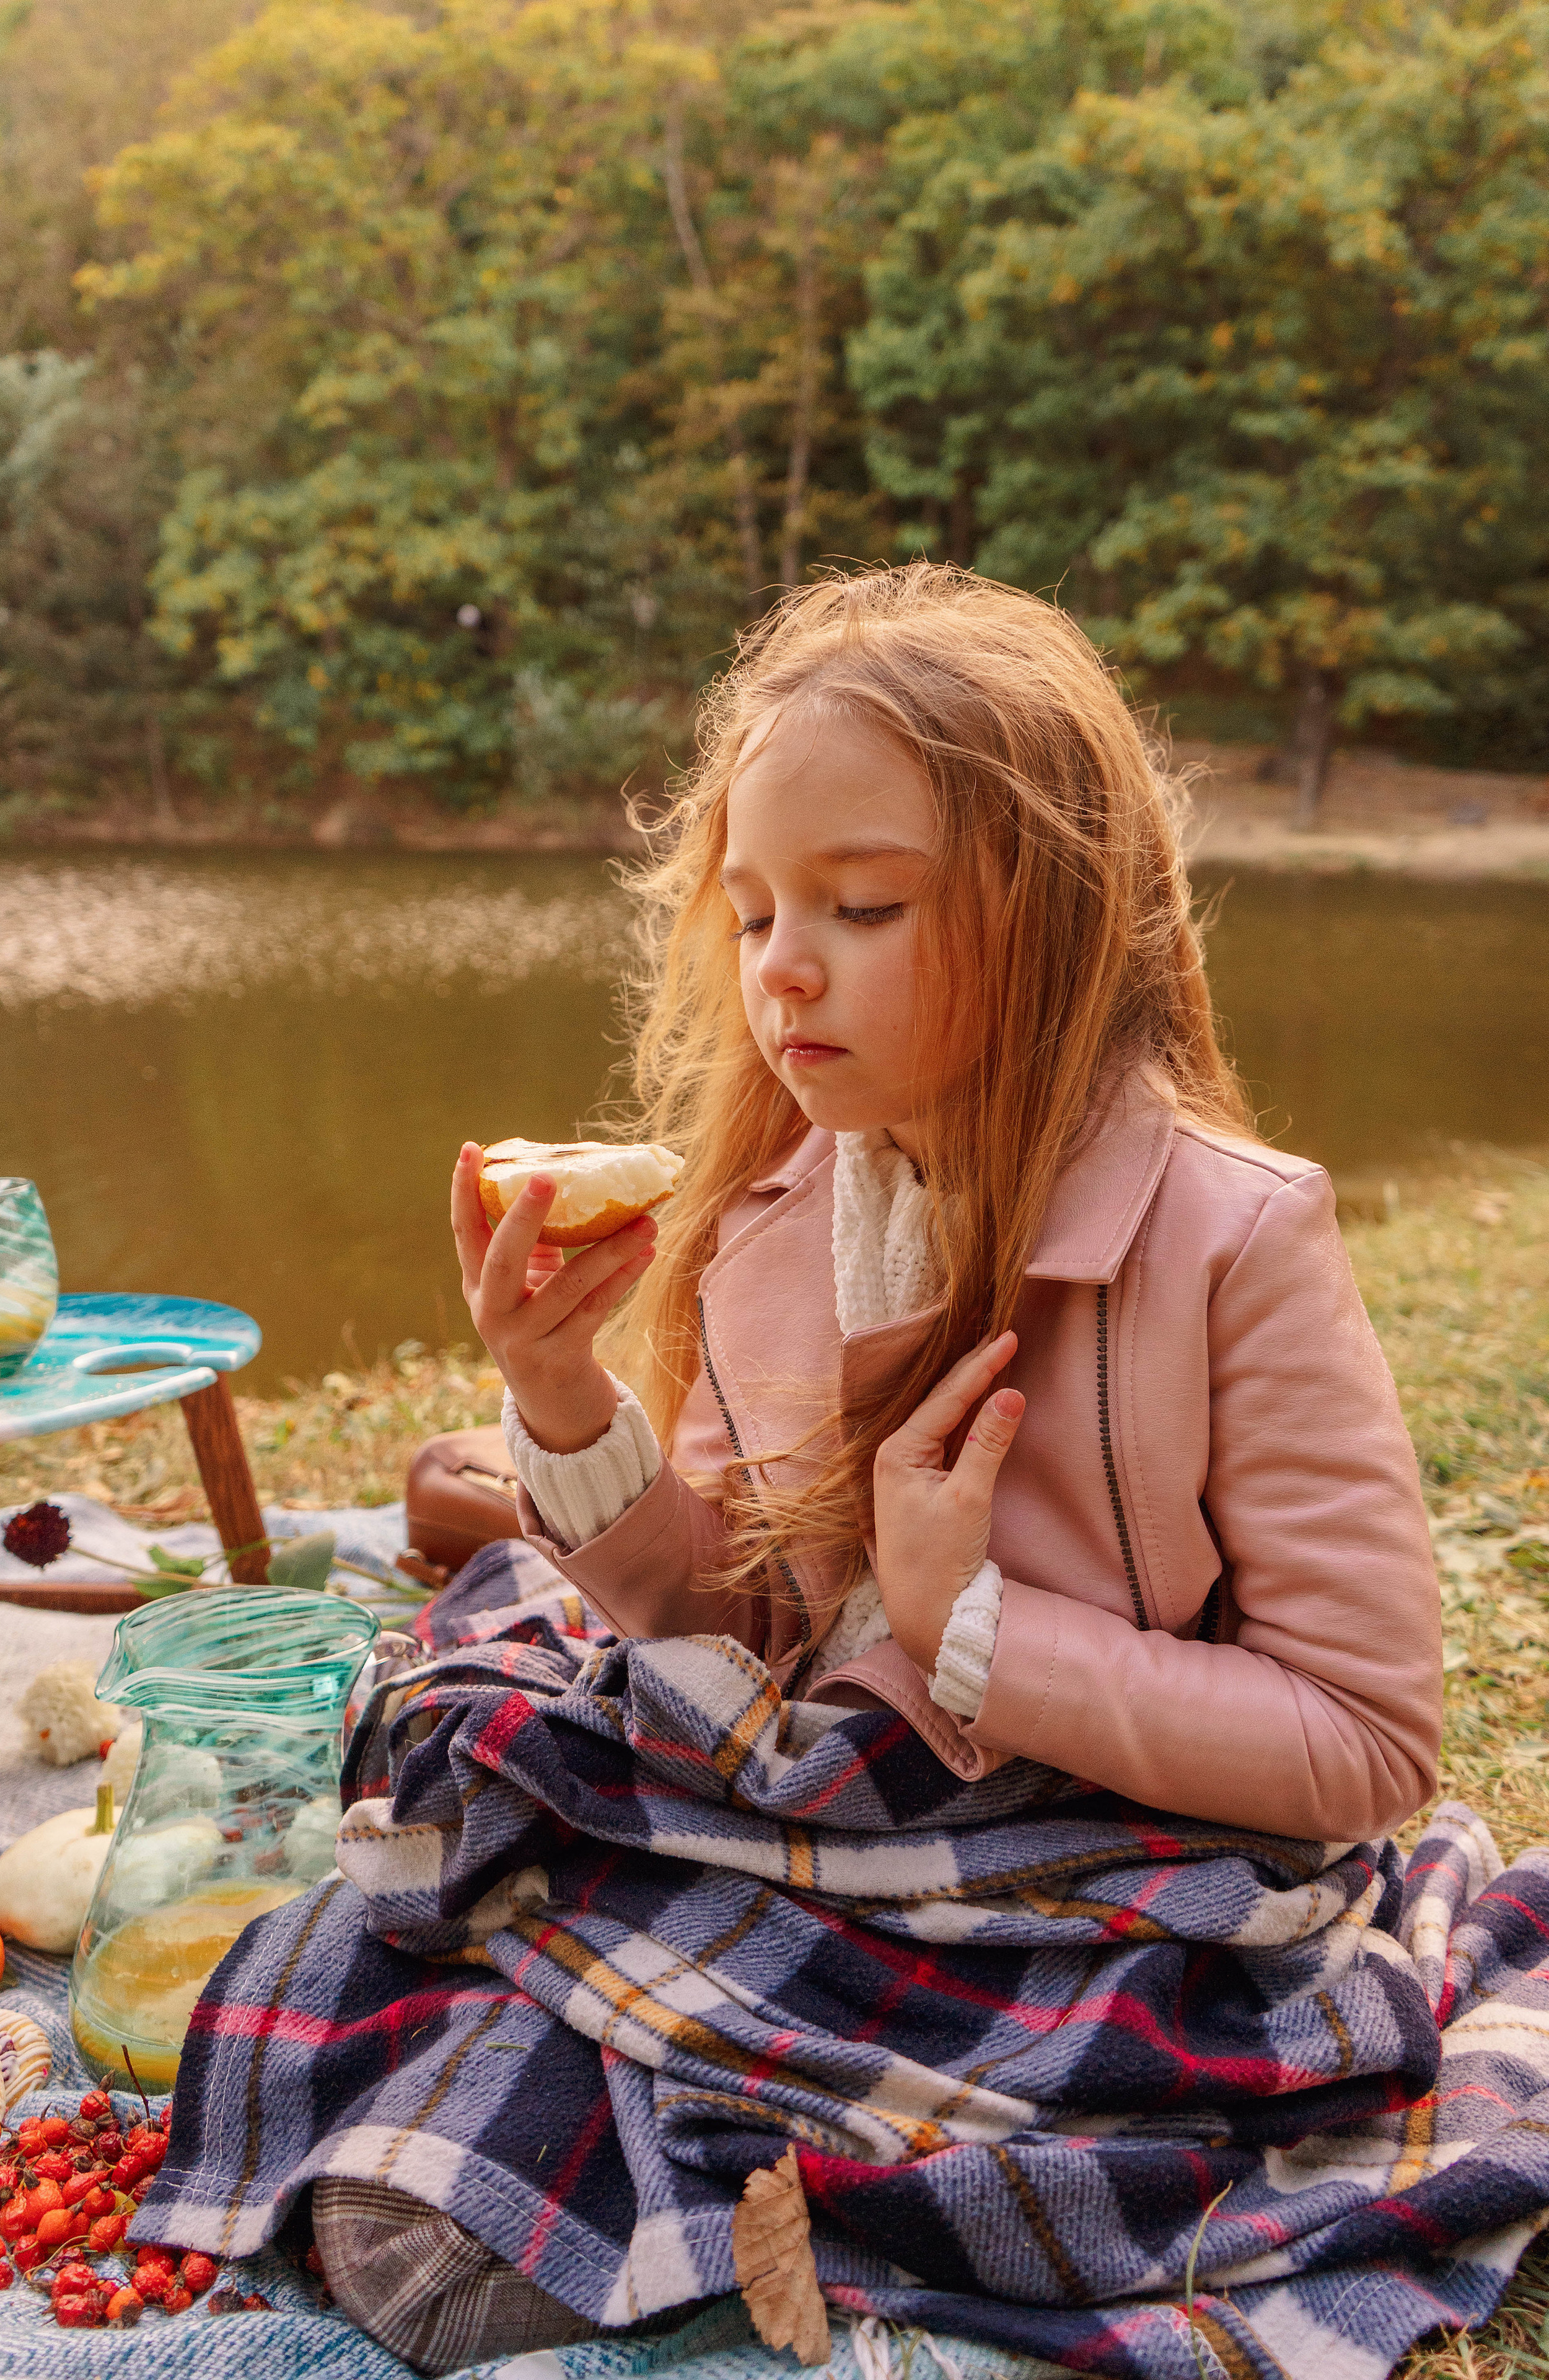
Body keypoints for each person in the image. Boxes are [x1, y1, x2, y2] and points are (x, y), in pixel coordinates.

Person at [317, 565, 1442, 2367]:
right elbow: (737, 1605)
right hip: (825, 1822)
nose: (783, 966)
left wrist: (974, 1626)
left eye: (859, 904)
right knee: (437, 1820)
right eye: (754, 909)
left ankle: (818, 2178)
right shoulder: (773, 1216)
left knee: (630, 2058)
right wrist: (558, 1398)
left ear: (1060, 916)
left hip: (1121, 1879)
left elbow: (1367, 1745)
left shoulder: (1238, 1246)